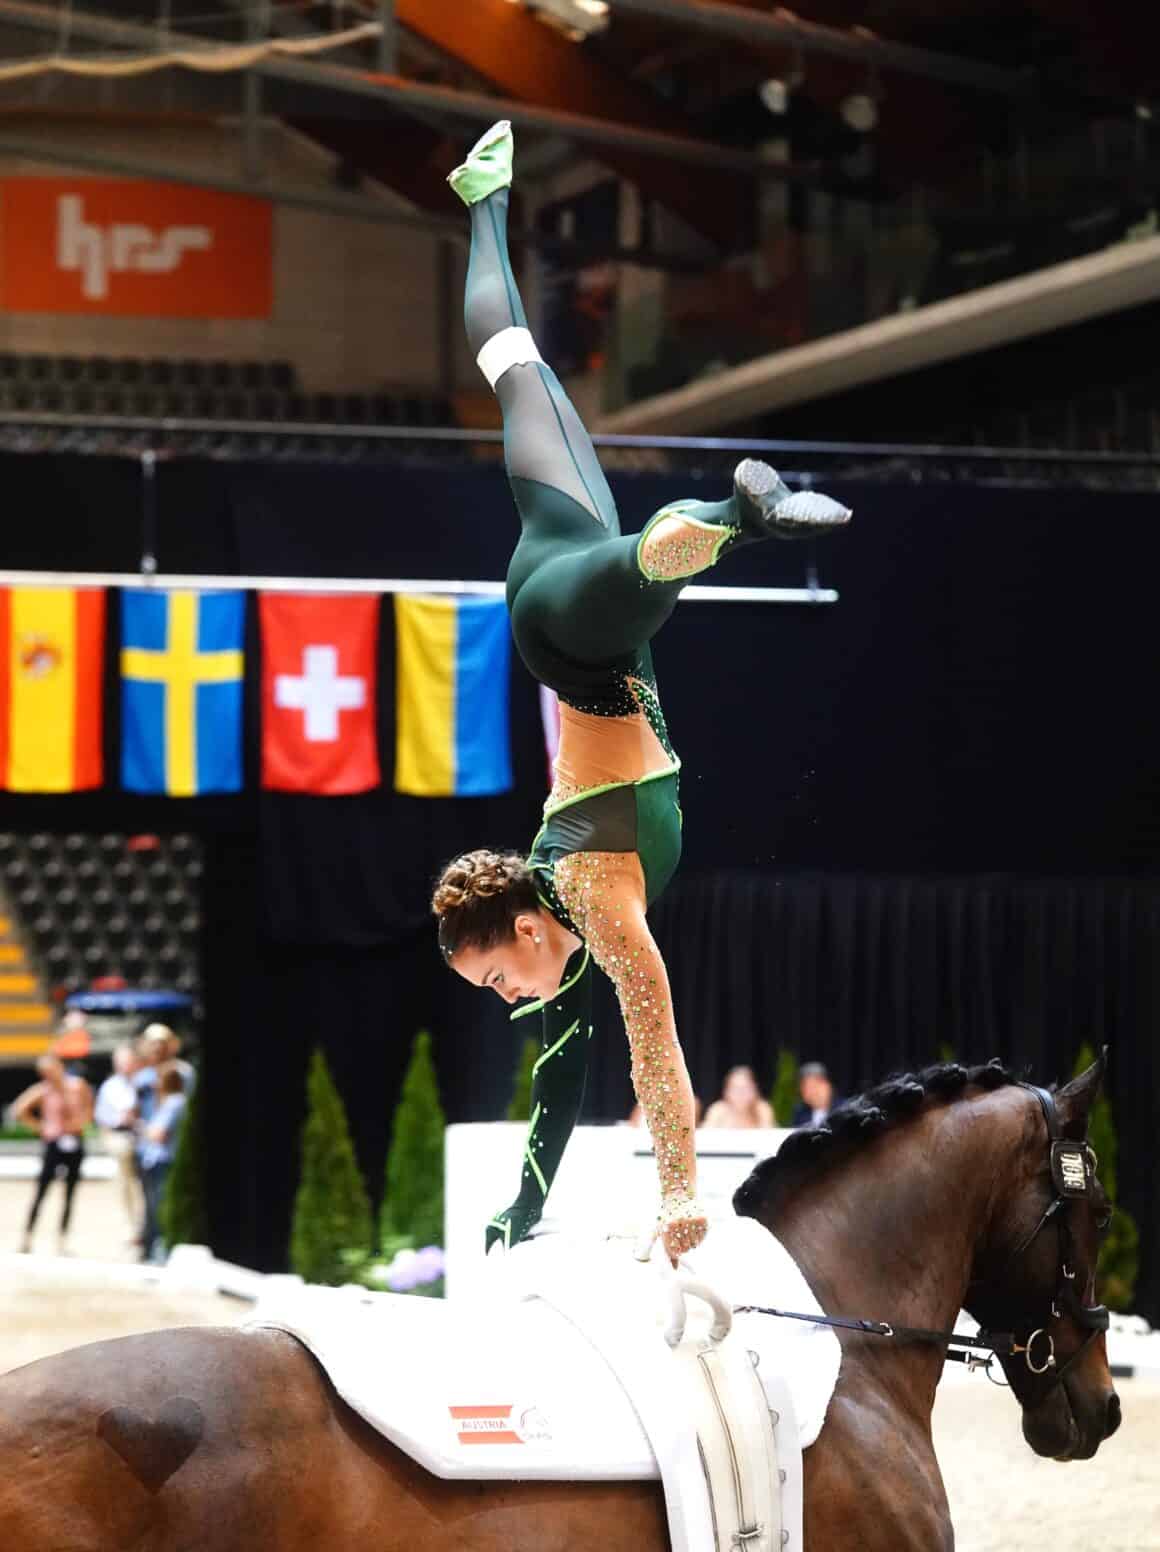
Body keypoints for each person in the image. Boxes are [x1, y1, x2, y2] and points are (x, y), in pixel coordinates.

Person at [432, 121, 851, 1265]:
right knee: (513, 359)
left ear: (525, 926)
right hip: (566, 561)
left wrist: (680, 1194)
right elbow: (557, 1099)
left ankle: (731, 517)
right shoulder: (564, 967)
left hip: (565, 635)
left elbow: (655, 1045)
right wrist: (516, 1218)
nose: (503, 992)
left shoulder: (590, 897)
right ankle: (482, 200)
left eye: (494, 972)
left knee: (634, 592)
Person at [11, 1054, 93, 1255]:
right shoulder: (43, 1090)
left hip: (74, 1140)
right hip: (54, 1142)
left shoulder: (77, 1086)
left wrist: (80, 1123)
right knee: (41, 1190)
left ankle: (62, 1239)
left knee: (70, 1192)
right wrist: (41, 1127)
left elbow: (89, 1109)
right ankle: (28, 1237)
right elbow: (19, 1109)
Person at [93, 1042, 142, 1241]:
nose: (124, 1065)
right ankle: (133, 1228)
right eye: (121, 1062)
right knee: (126, 1184)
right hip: (121, 1138)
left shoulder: (143, 1081)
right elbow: (103, 1118)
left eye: (127, 1061)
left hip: (142, 1137)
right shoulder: (110, 1086)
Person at [138, 1065, 187, 1264]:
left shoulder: (174, 1103)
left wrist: (143, 1128)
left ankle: (159, 1253)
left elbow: (158, 1134)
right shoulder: (170, 1102)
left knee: (158, 1208)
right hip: (157, 1160)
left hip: (162, 1161)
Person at [701, 1065, 775, 1129]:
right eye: (736, 1089)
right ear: (727, 1091)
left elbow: (769, 1135)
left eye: (745, 1089)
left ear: (754, 1090)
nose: (740, 1094)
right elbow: (706, 1135)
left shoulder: (762, 1110)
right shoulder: (718, 1110)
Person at [791, 1061, 838, 1127]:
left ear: (828, 1086)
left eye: (815, 1086)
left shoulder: (844, 1109)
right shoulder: (800, 1113)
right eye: (807, 1088)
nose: (812, 1093)